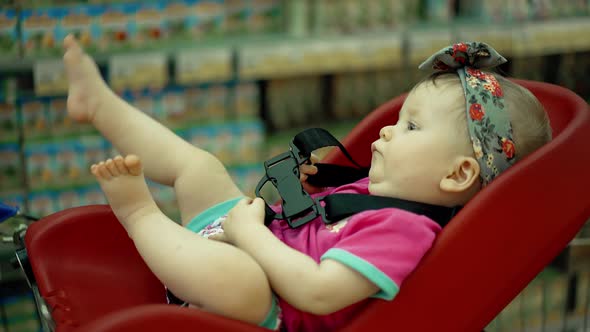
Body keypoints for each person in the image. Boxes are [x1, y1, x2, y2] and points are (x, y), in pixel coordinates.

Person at [62, 36, 551, 332]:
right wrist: (308, 195)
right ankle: (99, 105)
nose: (387, 130)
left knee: (245, 281)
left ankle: (139, 214)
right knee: (202, 168)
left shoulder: (406, 231)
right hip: (234, 244)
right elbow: (320, 231)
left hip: (255, 306)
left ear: (457, 174)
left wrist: (250, 232)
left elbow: (317, 293)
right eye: (399, 119)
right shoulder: (379, 192)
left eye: (411, 128)